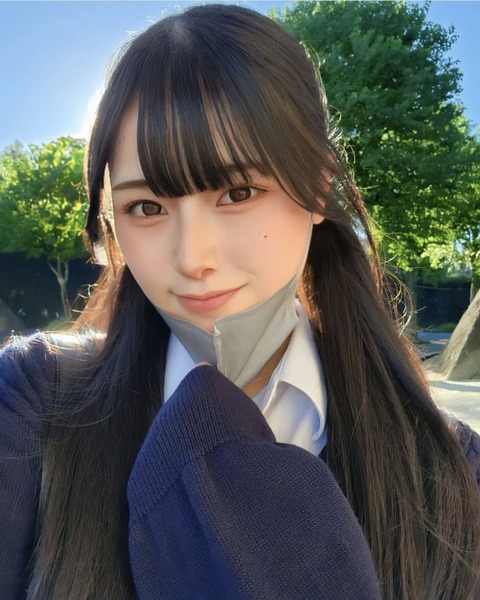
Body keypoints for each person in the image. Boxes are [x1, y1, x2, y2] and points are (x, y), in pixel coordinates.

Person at [1, 4, 479, 599]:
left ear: (318, 187)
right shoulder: (33, 404)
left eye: (239, 192)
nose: (192, 258)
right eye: (146, 207)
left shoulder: (453, 469)